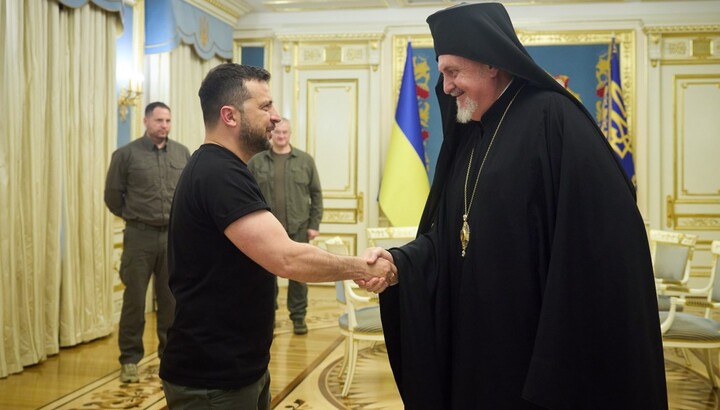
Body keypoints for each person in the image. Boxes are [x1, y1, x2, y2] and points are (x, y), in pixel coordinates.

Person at [373, 3, 668, 409]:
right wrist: (399, 262)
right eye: (442, 73)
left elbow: (601, 248)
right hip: (472, 348)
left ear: (492, 63)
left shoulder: (554, 121)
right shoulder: (470, 135)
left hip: (533, 357)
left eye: (453, 71)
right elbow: (448, 235)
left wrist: (553, 364)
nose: (446, 87)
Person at [158, 63, 394, 410]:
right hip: (212, 379)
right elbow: (287, 258)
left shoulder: (226, 168)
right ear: (230, 116)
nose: (276, 117)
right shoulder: (219, 173)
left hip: (236, 368)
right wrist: (363, 267)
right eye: (266, 106)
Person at [104, 102, 191, 383]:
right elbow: (113, 197)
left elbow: (189, 192)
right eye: (158, 120)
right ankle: (129, 359)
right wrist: (136, 217)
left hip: (173, 237)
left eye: (168, 120)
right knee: (134, 301)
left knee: (171, 301)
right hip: (139, 236)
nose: (164, 125)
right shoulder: (125, 155)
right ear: (145, 121)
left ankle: (171, 357)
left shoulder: (182, 153)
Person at [248, 117, 323, 335]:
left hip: (298, 228)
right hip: (265, 231)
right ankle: (266, 318)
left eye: (285, 133)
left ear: (290, 134)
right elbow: (247, 193)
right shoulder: (257, 160)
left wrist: (314, 223)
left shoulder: (305, 161)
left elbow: (316, 194)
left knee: (299, 276)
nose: (281, 136)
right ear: (271, 133)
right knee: (264, 278)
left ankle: (298, 317)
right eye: (277, 132)